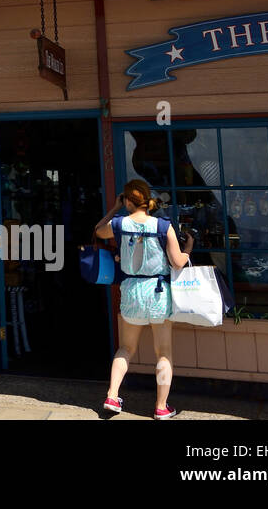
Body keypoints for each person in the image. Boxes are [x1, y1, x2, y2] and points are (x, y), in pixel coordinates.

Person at [95, 179, 193, 419]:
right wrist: (188, 245)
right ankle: (161, 406)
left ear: (128, 200)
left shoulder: (119, 223)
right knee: (163, 352)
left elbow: (99, 230)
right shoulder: (162, 225)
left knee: (126, 348)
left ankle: (112, 395)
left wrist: (115, 207)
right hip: (158, 293)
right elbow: (178, 262)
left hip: (131, 292)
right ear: (147, 201)